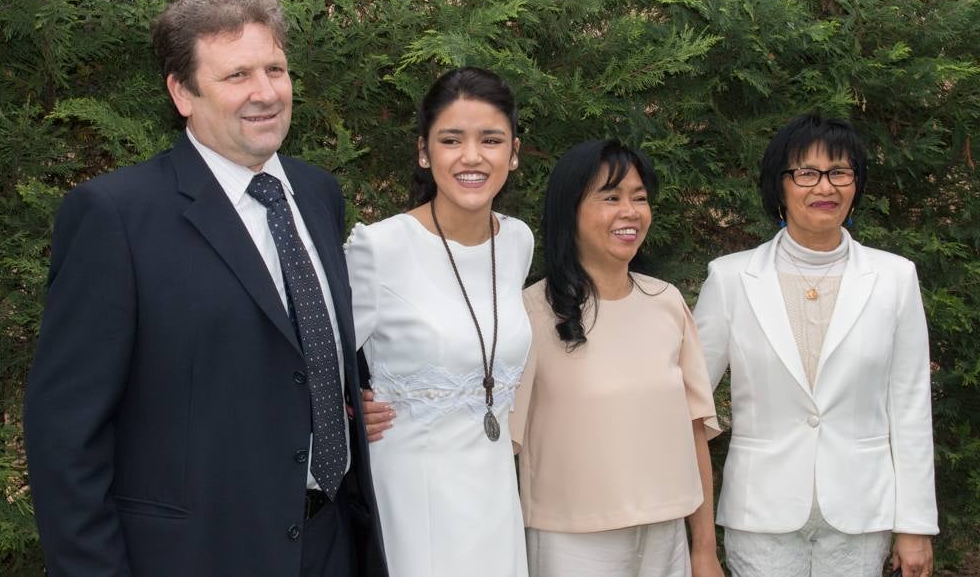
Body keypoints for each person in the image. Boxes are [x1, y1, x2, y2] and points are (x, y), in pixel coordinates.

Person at [23, 0, 387, 576]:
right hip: (197, 555)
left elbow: (298, 345)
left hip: (331, 543)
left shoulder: (318, 195)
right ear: (182, 92)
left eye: (275, 68)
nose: (265, 92)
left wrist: (343, 395)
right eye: (237, 75)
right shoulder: (115, 218)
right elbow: (66, 436)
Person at [694, 114, 938, 577]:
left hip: (861, 511)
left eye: (839, 173)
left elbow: (909, 406)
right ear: (779, 185)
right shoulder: (729, 278)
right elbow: (691, 401)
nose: (824, 187)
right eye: (806, 173)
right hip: (760, 512)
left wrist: (915, 525)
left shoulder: (894, 278)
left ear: (855, 185)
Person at [345, 67, 533, 576]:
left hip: (495, 492)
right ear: (425, 153)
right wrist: (344, 408)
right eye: (452, 140)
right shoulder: (379, 248)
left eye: (490, 140)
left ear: (513, 153)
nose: (472, 156)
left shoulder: (517, 241)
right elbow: (307, 358)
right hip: (414, 496)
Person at [509, 139, 723, 577]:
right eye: (610, 197)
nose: (630, 211)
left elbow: (695, 430)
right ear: (570, 211)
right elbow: (502, 449)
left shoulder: (667, 302)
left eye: (639, 198)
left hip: (666, 538)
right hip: (569, 544)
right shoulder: (529, 313)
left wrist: (704, 550)